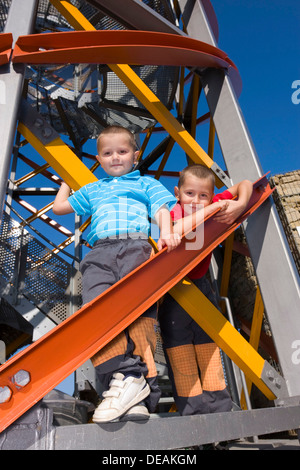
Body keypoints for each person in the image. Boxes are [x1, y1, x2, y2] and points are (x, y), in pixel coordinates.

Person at [53, 125, 180, 423]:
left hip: (135, 246)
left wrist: (167, 232)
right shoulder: (94, 189)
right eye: (107, 153)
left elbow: (162, 208)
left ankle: (142, 393)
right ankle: (124, 377)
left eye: (122, 152)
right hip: (100, 252)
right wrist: (66, 182)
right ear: (98, 158)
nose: (115, 158)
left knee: (138, 318)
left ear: (135, 156)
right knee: (97, 312)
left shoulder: (145, 183)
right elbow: (60, 207)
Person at [158, 164, 253, 417]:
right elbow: (178, 230)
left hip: (201, 284)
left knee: (208, 346)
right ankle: (192, 414)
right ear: (177, 193)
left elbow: (245, 183)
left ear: (211, 195)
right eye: (190, 194)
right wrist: (214, 207)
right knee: (180, 350)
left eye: (204, 196)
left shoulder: (210, 202)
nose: (196, 201)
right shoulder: (173, 211)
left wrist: (240, 204)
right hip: (173, 288)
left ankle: (219, 410)